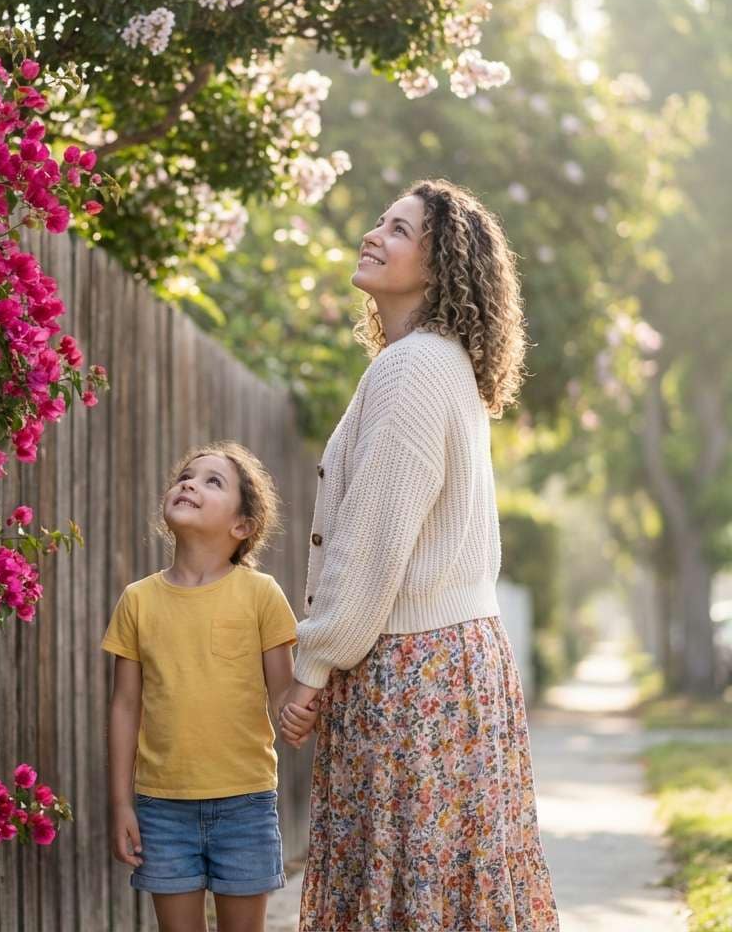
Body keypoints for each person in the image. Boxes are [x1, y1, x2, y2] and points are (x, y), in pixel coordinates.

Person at [280, 178, 559, 931]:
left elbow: (371, 545)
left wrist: (313, 668)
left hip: (410, 674)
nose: (373, 234)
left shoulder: (411, 370)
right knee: (443, 888)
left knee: (403, 887)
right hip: (451, 664)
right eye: (380, 222)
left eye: (398, 230)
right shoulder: (439, 364)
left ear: (439, 266)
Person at [103, 441, 310, 932]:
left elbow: (281, 692)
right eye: (186, 476)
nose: (189, 483)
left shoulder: (261, 595)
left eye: (211, 481)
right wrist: (120, 805)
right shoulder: (138, 600)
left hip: (246, 802)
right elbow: (124, 706)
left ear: (242, 527)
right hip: (161, 808)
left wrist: (296, 712)